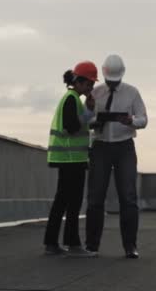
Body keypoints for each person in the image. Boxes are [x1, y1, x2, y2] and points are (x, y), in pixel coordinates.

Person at [85, 54, 148, 258]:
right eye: (110, 80)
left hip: (124, 147)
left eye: (116, 80)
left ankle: (130, 246)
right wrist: (94, 121)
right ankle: (92, 245)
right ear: (104, 75)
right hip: (101, 145)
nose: (112, 83)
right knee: (95, 198)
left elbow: (144, 119)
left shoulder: (132, 92)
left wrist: (131, 121)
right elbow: (85, 119)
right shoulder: (95, 93)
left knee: (128, 198)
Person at [44, 61, 98, 256]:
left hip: (70, 158)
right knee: (71, 202)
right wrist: (88, 113)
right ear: (79, 82)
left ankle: (55, 243)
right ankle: (71, 244)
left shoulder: (72, 98)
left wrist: (89, 111)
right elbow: (72, 126)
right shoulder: (71, 99)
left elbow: (79, 125)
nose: (91, 88)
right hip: (70, 158)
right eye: (89, 84)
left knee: (65, 201)